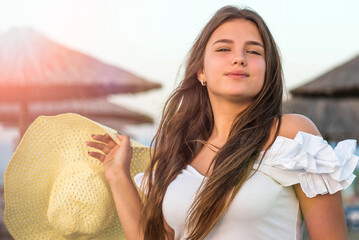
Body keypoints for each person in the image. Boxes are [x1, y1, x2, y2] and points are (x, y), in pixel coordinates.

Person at [86, 5, 357, 240]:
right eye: (224, 48)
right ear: (201, 72)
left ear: (267, 71)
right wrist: (117, 175)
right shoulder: (176, 153)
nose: (239, 58)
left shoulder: (292, 136)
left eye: (253, 51)